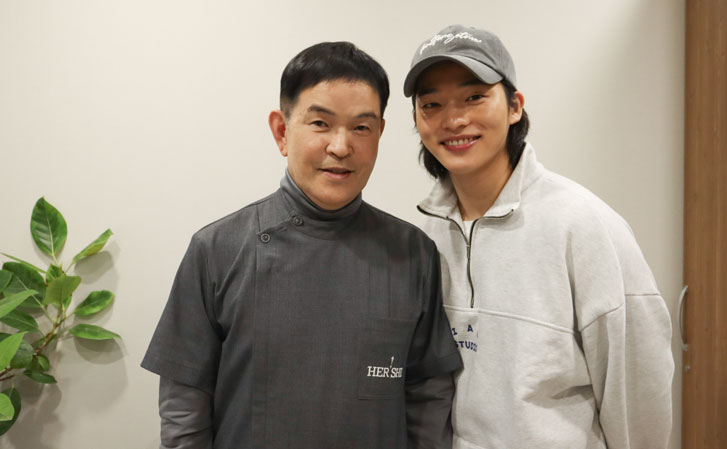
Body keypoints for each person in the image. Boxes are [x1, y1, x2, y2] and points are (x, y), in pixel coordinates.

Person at [142, 41, 462, 449]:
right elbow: (184, 410)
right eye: (320, 124)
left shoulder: (413, 252)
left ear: (379, 134)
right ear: (282, 131)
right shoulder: (217, 250)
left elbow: (429, 395)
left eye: (361, 128)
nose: (341, 146)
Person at [403, 25, 674, 449]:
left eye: (474, 97)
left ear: (514, 106)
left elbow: (639, 393)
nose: (453, 120)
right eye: (431, 105)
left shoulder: (583, 225)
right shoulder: (426, 236)